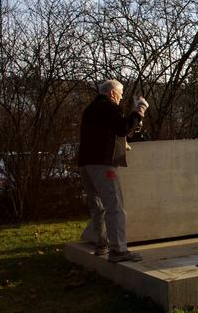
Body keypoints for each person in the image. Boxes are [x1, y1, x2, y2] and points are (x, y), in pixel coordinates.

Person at [78, 79, 149, 263]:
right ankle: (118, 250)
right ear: (112, 93)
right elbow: (123, 128)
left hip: (86, 164)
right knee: (114, 206)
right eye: (120, 94)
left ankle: (101, 245)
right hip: (103, 164)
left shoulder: (90, 109)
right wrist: (139, 110)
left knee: (98, 206)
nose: (121, 97)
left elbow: (110, 131)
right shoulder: (108, 107)